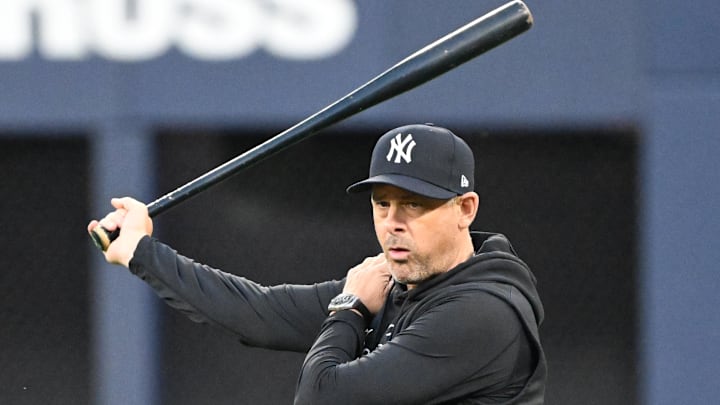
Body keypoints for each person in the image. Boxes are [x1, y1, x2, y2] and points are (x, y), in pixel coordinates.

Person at [88, 123, 547, 404]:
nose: (392, 223)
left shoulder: (483, 313)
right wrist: (141, 253)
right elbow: (259, 314)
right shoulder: (394, 286)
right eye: (382, 204)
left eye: (414, 205)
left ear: (465, 209)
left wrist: (348, 308)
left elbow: (321, 397)